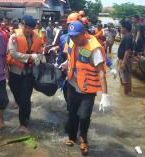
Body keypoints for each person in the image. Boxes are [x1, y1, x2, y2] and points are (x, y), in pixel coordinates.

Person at [62, 21, 110, 156]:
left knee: (83, 116)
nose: (73, 39)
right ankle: (71, 137)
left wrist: (105, 95)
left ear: (84, 34)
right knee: (72, 114)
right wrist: (66, 64)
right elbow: (71, 58)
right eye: (71, 36)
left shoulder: (94, 48)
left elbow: (101, 71)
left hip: (87, 90)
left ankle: (83, 138)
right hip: (72, 85)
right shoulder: (71, 42)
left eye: (76, 36)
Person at [7, 15, 43, 133]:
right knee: (17, 96)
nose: (27, 30)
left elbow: (39, 51)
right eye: (26, 27)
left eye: (30, 28)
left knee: (25, 99)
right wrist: (29, 57)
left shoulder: (37, 37)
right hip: (15, 72)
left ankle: (23, 123)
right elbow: (12, 53)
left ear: (33, 28)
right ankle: (24, 111)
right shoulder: (14, 36)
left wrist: (39, 57)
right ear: (22, 25)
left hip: (29, 73)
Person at [118, 21, 134, 95]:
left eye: (121, 27)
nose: (120, 29)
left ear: (125, 28)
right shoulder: (128, 36)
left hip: (125, 61)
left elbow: (128, 51)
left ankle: (126, 96)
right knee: (126, 78)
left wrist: (123, 63)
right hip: (124, 60)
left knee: (126, 80)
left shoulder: (128, 37)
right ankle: (129, 93)